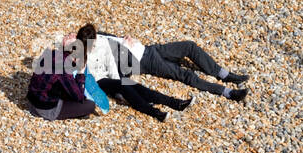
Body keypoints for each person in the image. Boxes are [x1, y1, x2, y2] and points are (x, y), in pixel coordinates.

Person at [77, 25, 250, 102]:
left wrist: (125, 38)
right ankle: (227, 93)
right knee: (184, 74)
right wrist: (121, 94)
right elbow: (112, 75)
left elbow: (113, 38)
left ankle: (224, 74)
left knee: (189, 46)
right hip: (145, 61)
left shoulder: (98, 35)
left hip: (150, 49)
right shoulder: (92, 56)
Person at [79, 27, 193, 122]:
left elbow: (111, 63)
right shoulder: (79, 52)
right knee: (125, 87)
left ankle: (175, 103)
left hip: (111, 78)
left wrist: (118, 81)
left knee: (137, 87)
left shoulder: (102, 42)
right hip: (98, 81)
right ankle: (154, 112)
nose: (91, 46)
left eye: (92, 43)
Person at [26, 39, 95, 121]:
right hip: (45, 110)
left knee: (60, 87)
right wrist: (81, 74)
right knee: (90, 105)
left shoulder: (52, 54)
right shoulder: (65, 70)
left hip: (31, 101)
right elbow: (79, 97)